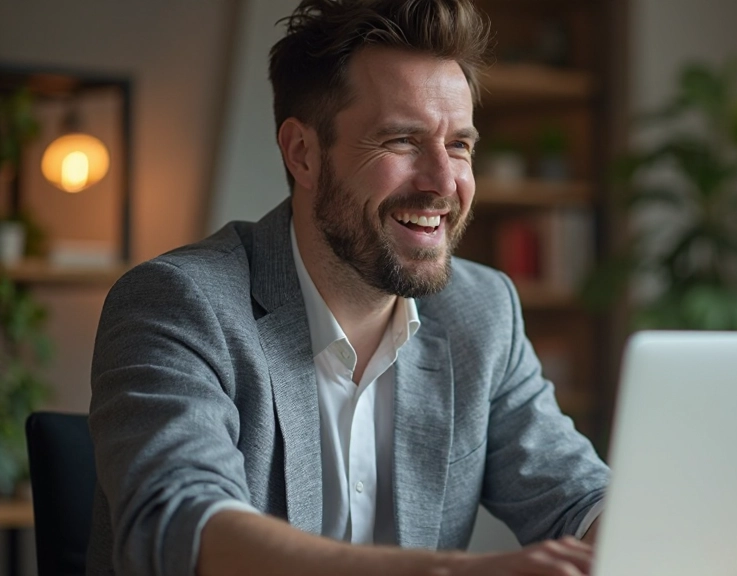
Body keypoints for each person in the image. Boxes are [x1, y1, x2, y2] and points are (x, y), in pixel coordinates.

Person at [86, 0, 610, 574]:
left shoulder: (481, 313)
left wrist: (638, 530)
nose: (443, 182)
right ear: (303, 154)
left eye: (459, 145)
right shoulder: (180, 304)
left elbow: (576, 495)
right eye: (402, 141)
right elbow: (183, 526)